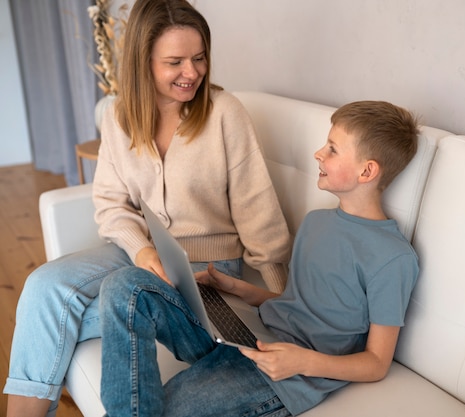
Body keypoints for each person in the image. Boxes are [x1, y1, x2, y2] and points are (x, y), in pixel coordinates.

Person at [3, 1, 291, 416]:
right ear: (143, 61)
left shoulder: (225, 114)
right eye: (174, 62)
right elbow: (110, 203)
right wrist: (140, 248)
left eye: (199, 58)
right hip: (141, 251)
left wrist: (281, 299)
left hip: (204, 272)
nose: (191, 72)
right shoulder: (121, 117)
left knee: (56, 325)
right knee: (42, 288)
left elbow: (258, 210)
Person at [98, 99, 421, 416]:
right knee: (125, 285)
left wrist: (302, 361)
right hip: (252, 335)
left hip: (285, 374)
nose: (318, 153)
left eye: (333, 149)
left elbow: (377, 362)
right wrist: (236, 288)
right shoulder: (316, 221)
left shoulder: (392, 258)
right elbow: (294, 302)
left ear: (367, 171)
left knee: (160, 408)